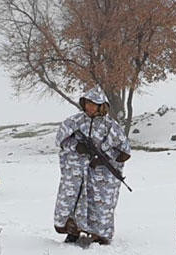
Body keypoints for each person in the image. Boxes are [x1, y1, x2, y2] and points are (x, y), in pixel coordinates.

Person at [53, 87, 131, 245]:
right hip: (77, 171)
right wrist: (76, 146)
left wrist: (103, 159)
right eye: (87, 103)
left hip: (101, 175)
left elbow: (124, 152)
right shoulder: (74, 122)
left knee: (100, 203)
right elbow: (61, 140)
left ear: (101, 106)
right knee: (73, 199)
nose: (89, 107)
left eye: (93, 104)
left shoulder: (111, 126)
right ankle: (73, 231)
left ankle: (98, 235)